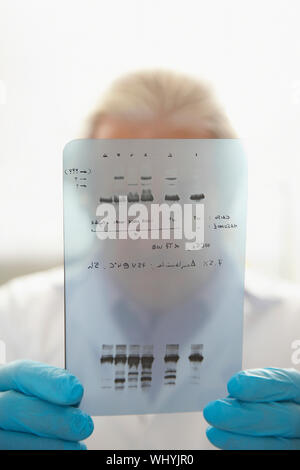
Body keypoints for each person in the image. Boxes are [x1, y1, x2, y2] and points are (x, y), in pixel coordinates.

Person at [0, 69, 300, 450]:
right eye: (124, 185)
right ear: (86, 196)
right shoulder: (14, 317)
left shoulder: (293, 322)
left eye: (182, 186)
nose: (154, 216)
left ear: (226, 193)